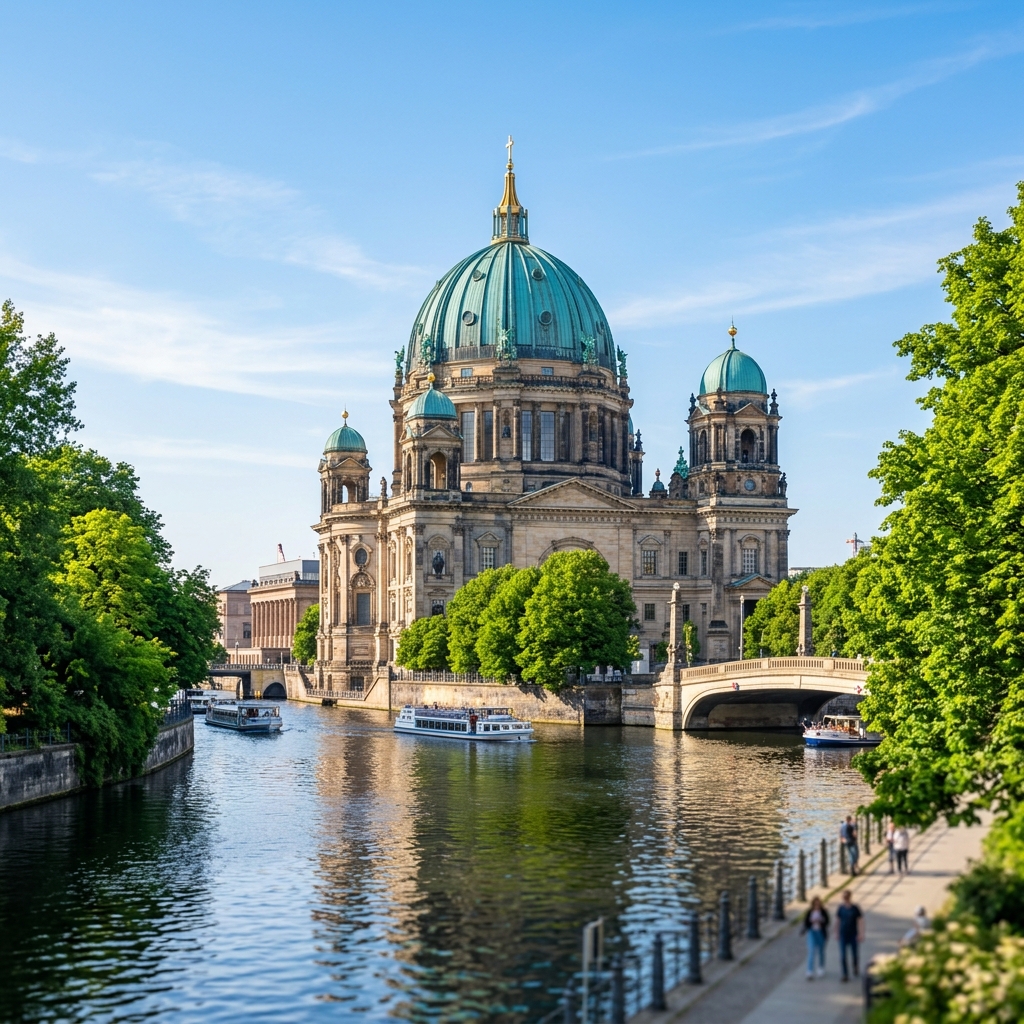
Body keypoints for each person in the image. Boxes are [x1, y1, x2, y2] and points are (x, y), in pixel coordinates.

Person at [836, 890, 865, 982]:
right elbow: (838, 921)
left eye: (847, 897)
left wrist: (861, 934)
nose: (845, 898)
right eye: (844, 897)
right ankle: (845, 974)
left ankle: (855, 966)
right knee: (843, 955)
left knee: (854, 954)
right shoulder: (841, 908)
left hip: (853, 934)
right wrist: (836, 933)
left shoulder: (855, 908)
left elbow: (860, 921)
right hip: (843, 934)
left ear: (850, 897)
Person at [802, 896, 829, 979]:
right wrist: (812, 921)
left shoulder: (823, 912)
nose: (817, 906)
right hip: (812, 932)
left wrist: (820, 921)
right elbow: (806, 923)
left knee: (821, 951)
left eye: (818, 904)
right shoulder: (810, 912)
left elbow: (827, 922)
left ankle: (821, 967)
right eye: (815, 904)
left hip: (820, 933)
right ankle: (809, 971)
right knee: (811, 951)